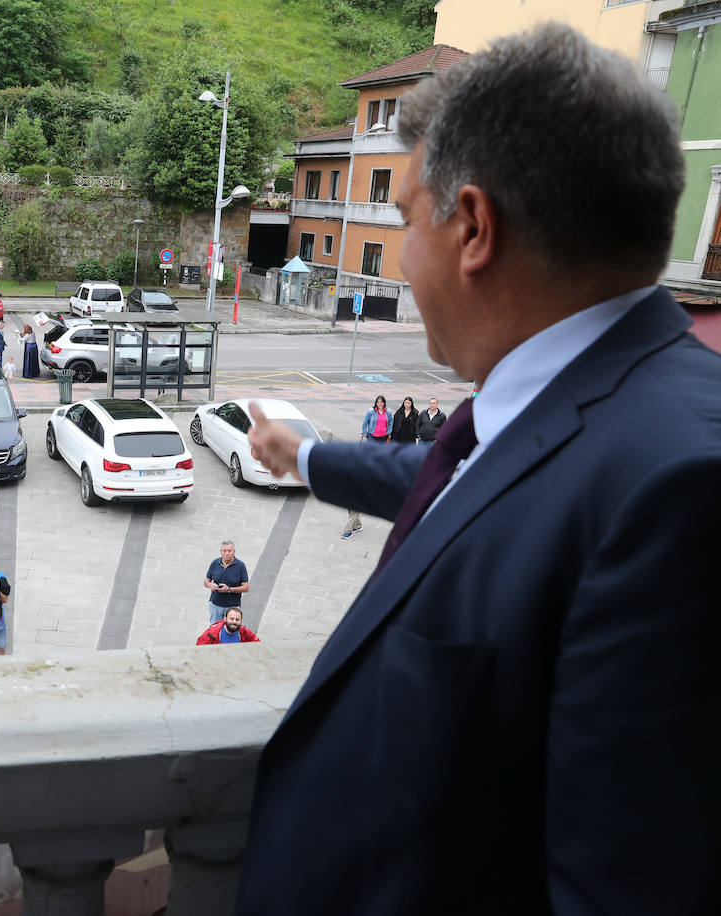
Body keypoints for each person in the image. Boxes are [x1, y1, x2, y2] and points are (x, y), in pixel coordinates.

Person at [235, 26, 721, 914]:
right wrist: (304, 455)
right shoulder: (595, 402)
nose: (403, 252)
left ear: (474, 229)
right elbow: (458, 484)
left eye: (406, 217)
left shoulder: (681, 494)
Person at [203, 541, 249, 624]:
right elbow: (206, 581)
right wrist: (210, 585)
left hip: (233, 607)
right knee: (215, 630)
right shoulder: (215, 563)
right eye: (224, 551)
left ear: (234, 551)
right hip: (215, 605)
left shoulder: (240, 566)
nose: (227, 553)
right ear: (221, 552)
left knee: (232, 630)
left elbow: (246, 588)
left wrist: (229, 589)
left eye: (229, 551)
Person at [196, 607, 260, 645]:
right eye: (231, 619)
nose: (234, 622)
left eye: (237, 619)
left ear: (241, 621)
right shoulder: (211, 634)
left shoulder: (245, 633)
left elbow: (258, 646)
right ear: (225, 619)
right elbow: (198, 651)